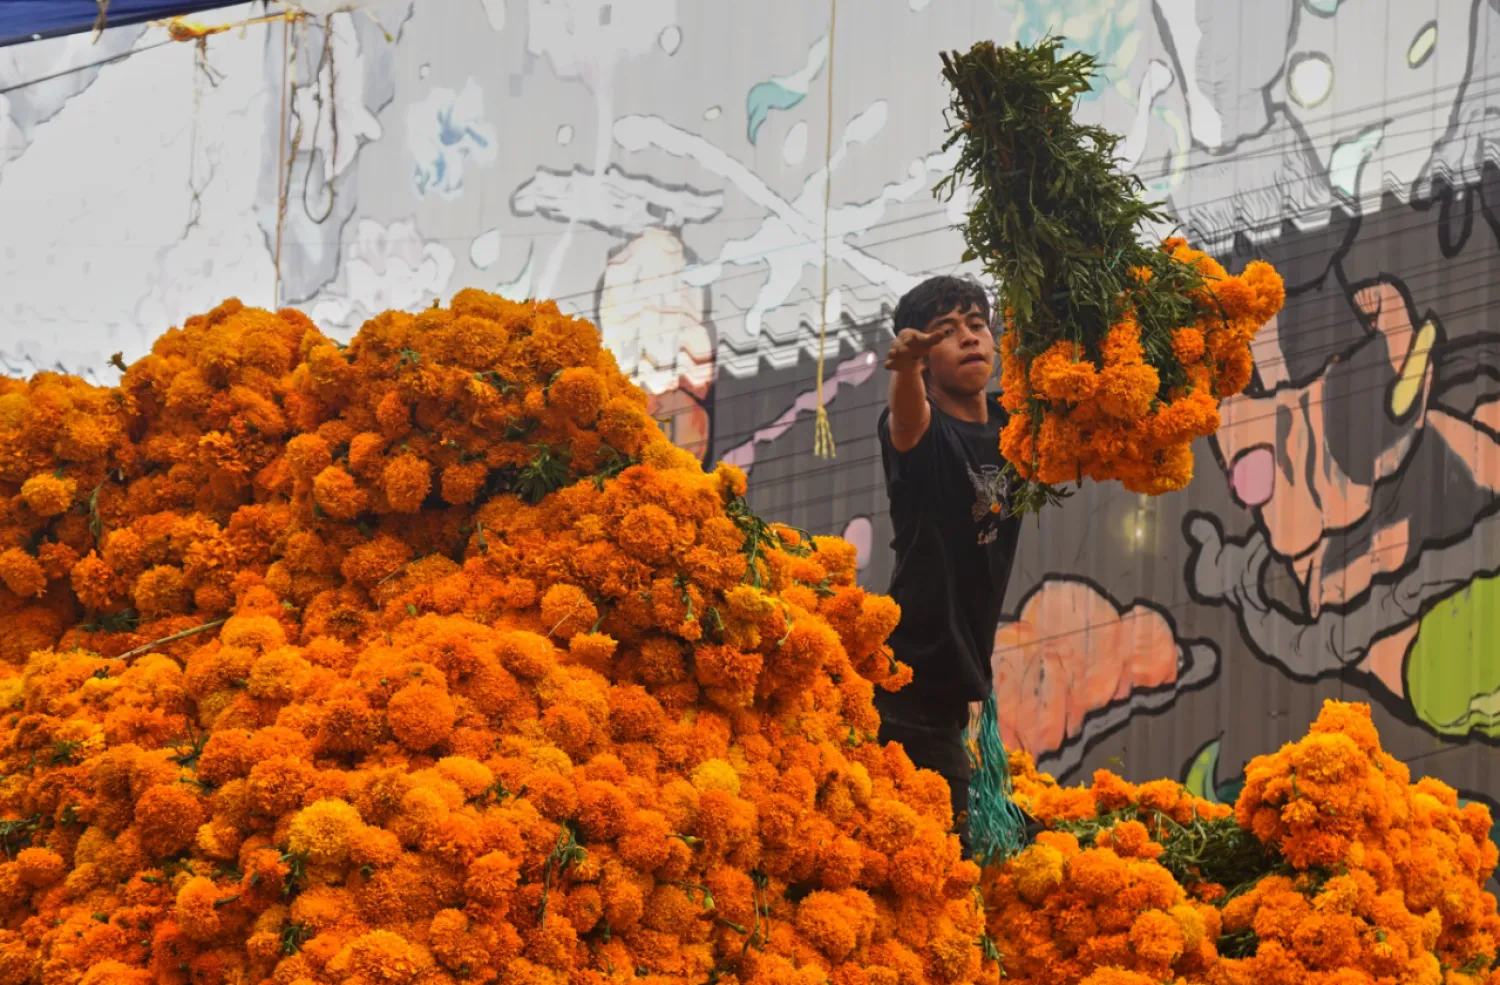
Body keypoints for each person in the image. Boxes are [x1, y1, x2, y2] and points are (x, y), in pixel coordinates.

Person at [875, 275, 1022, 856]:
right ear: (926, 361)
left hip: (950, 691)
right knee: (943, 863)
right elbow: (907, 420)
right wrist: (904, 370)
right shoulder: (922, 434)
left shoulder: (1016, 426)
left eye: (977, 325)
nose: (968, 339)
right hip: (904, 685)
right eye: (946, 332)